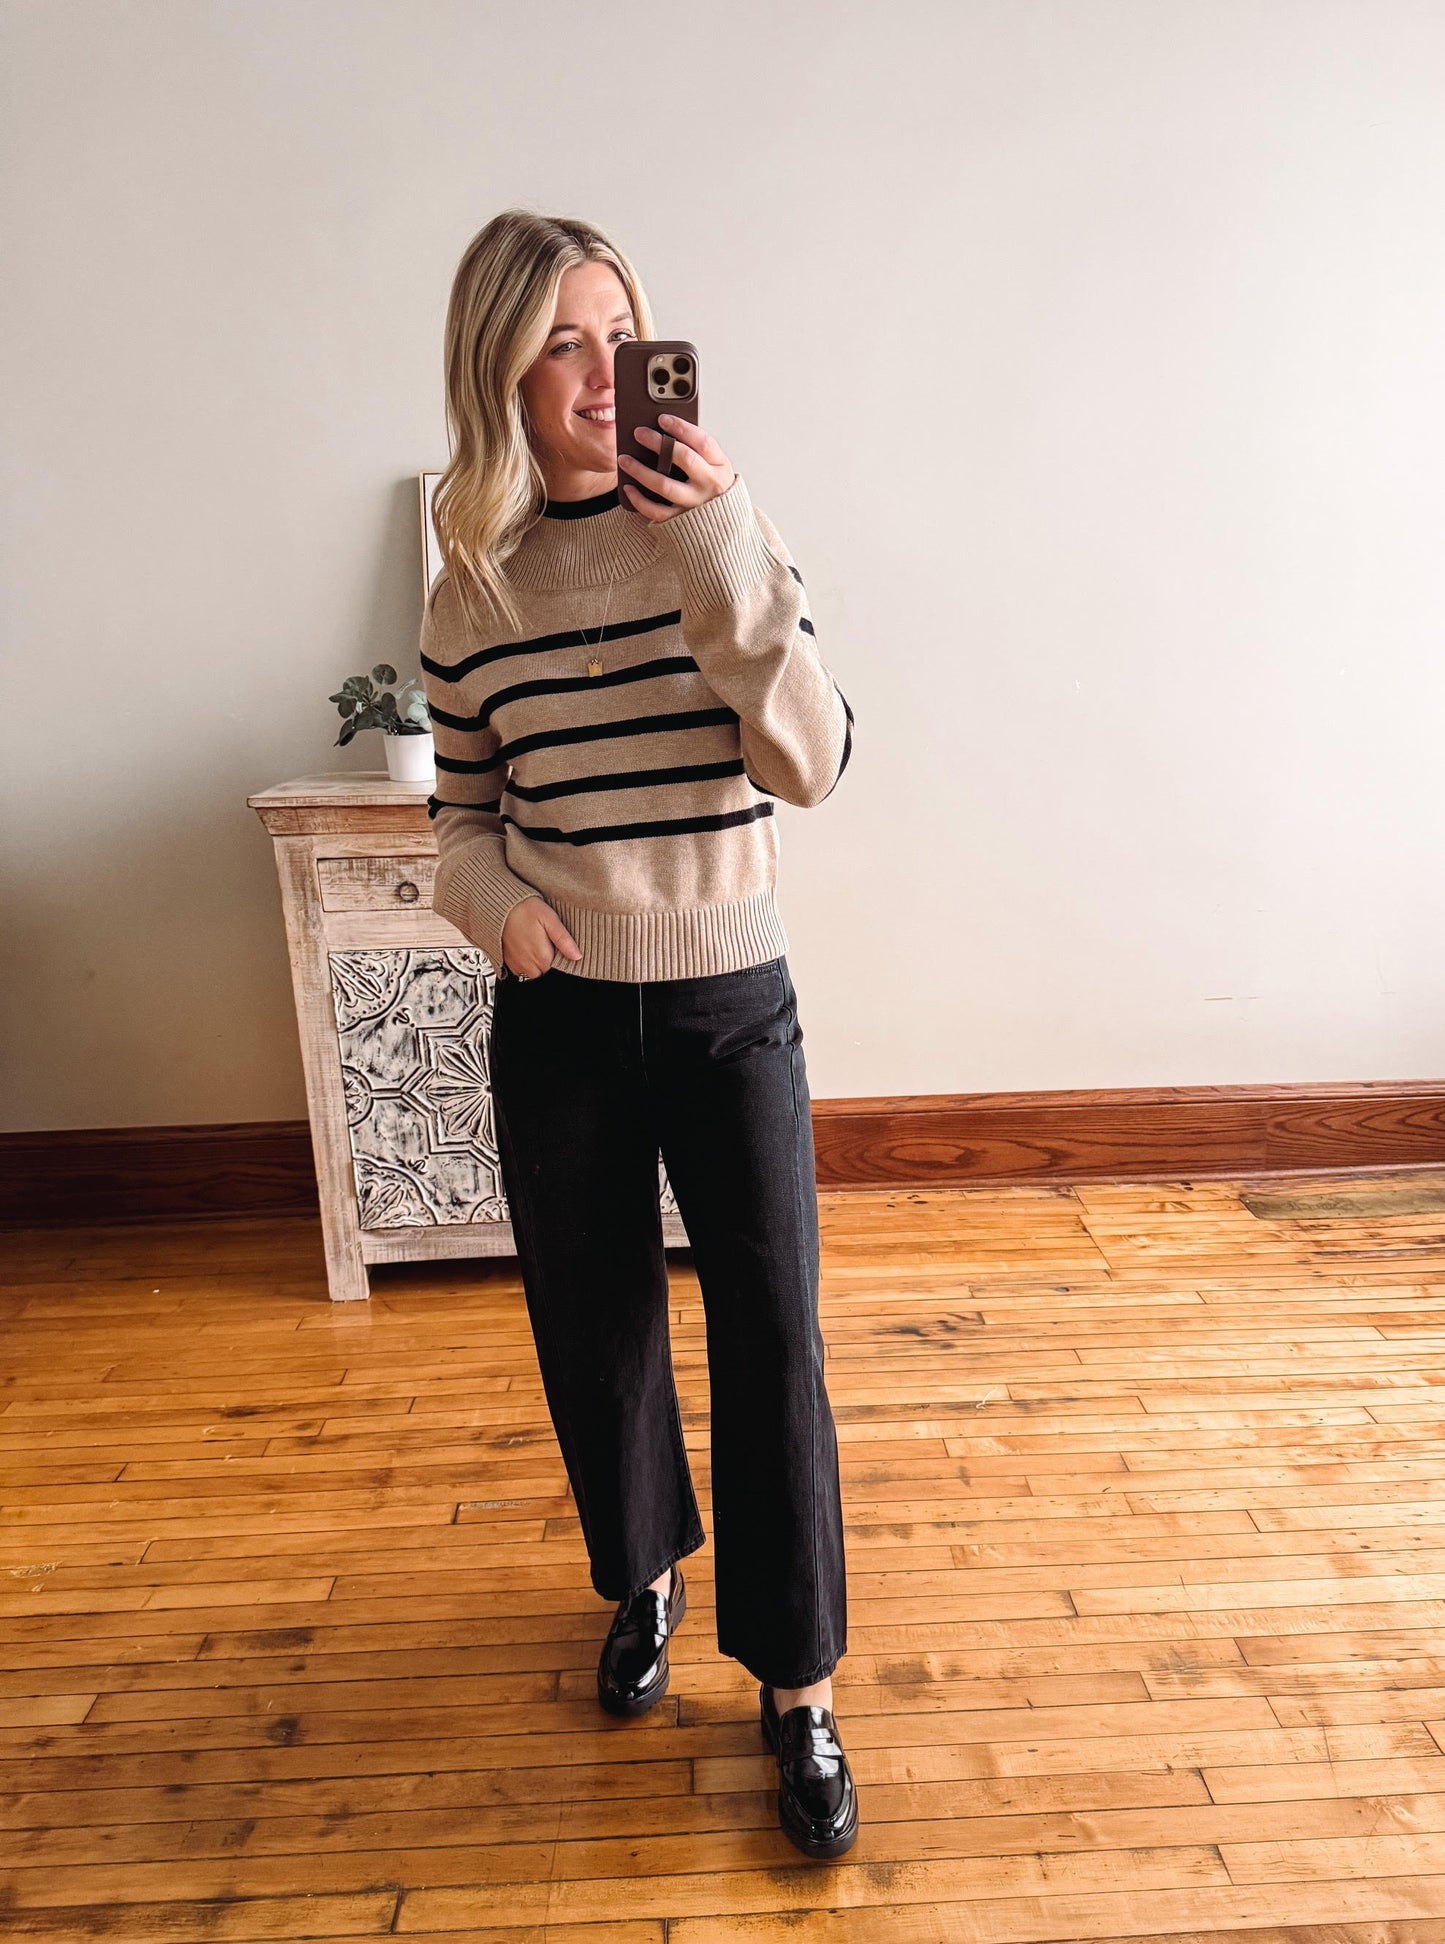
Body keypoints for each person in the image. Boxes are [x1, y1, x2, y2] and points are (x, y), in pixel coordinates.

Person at [418, 209, 858, 1859]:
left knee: (770, 1338)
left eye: (620, 335)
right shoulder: (471, 591)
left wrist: (724, 540)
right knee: (593, 1327)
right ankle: (643, 1575)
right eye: (561, 343)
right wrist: (495, 911)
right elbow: (463, 816)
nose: (602, 374)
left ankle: (798, 1684)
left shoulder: (722, 536)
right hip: (560, 1011)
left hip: (729, 998)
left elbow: (812, 759)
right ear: (503, 374)